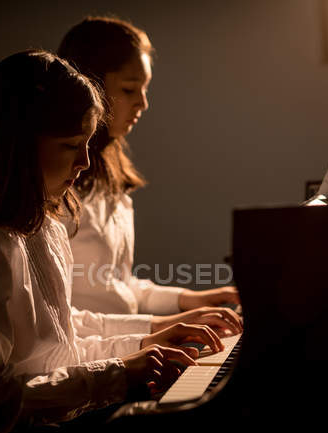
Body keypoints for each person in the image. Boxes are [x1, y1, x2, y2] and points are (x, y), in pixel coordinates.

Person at [0, 50, 225, 432]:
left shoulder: (42, 222)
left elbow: (59, 342)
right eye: (69, 146)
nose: (83, 161)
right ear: (20, 144)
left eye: (86, 143)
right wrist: (119, 372)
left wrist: (144, 344)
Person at [57, 17, 242, 329]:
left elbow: (118, 287)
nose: (142, 103)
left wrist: (187, 300)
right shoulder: (56, 184)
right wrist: (158, 328)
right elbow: (57, 322)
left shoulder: (110, 175)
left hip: (122, 344)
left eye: (144, 89)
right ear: (91, 86)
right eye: (130, 89)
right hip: (96, 354)